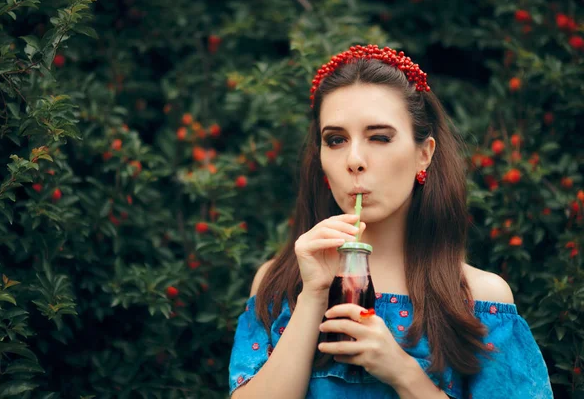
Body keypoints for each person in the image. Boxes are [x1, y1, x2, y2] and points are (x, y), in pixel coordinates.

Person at [228, 44, 553, 399]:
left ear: (423, 155)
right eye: (335, 140)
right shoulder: (279, 283)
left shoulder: (477, 298)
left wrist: (404, 373)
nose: (354, 159)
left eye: (379, 137)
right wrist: (313, 297)